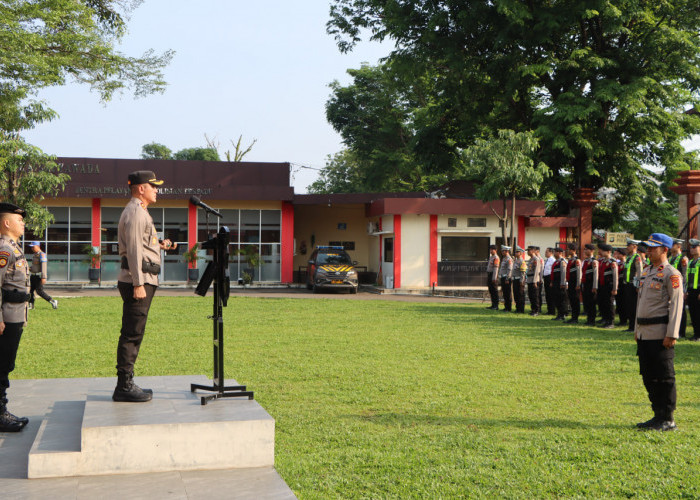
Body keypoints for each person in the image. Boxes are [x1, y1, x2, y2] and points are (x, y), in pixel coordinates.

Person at [114, 170, 175, 403]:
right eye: (153, 186)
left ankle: (127, 382)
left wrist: (159, 245)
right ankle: (124, 385)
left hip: (144, 279)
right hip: (138, 281)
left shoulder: (140, 212)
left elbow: (143, 244)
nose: (156, 190)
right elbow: (133, 250)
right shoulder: (136, 212)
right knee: (132, 333)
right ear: (141, 188)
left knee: (135, 331)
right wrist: (138, 283)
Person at [634, 233, 683, 431]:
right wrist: (637, 329)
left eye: (653, 247)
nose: (649, 250)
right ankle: (657, 415)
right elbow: (641, 303)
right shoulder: (647, 272)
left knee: (664, 376)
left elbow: (677, 305)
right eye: (648, 247)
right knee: (648, 375)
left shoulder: (671, 273)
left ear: (665, 250)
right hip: (645, 333)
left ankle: (668, 418)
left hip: (661, 333)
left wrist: (672, 334)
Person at [0, 203, 31, 432]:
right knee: (1, 365)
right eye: (19, 219)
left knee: (6, 364)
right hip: (6, 318)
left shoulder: (14, 248)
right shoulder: (4, 249)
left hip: (16, 315)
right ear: (6, 223)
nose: (23, 223)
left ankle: (2, 410)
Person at [27, 241, 58, 310]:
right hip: (33, 276)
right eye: (31, 247)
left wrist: (44, 277)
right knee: (30, 290)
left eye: (33, 247)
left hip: (38, 276)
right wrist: (28, 268)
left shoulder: (42, 255)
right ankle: (31, 305)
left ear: (38, 246)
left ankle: (52, 301)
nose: (32, 248)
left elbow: (44, 267)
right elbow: (35, 267)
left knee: (39, 291)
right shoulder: (35, 255)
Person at [668, 238, 689, 338]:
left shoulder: (683, 259)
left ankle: (681, 332)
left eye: (673, 245)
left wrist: (684, 290)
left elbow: (685, 275)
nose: (670, 247)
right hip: (671, 287)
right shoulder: (670, 258)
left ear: (679, 246)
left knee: (681, 310)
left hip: (679, 288)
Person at [622, 239, 644, 333]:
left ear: (634, 246)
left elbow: (639, 272)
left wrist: (638, 286)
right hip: (627, 284)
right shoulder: (629, 257)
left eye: (629, 245)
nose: (627, 247)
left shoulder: (636, 257)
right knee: (629, 306)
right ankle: (630, 326)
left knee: (633, 306)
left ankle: (634, 326)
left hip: (633, 285)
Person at [596, 243, 618, 329]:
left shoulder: (612, 262)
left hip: (609, 286)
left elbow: (615, 276)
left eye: (603, 251)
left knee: (609, 304)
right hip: (602, 285)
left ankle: (611, 322)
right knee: (603, 303)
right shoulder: (603, 261)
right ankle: (605, 319)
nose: (601, 252)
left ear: (609, 252)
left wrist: (615, 288)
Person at [580, 243, 599, 326]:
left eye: (586, 249)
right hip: (585, 284)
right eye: (584, 249)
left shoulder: (593, 261)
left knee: (591, 303)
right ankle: (588, 319)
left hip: (591, 284)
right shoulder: (585, 261)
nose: (584, 251)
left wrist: (595, 286)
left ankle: (592, 320)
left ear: (592, 251)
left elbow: (595, 275)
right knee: (587, 302)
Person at [686, 239, 700, 342]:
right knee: (693, 313)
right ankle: (696, 333)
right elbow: (687, 277)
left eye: (694, 247)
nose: (692, 249)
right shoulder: (690, 262)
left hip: (698, 290)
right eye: (691, 247)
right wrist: (686, 290)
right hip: (691, 291)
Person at [565, 244, 581, 324]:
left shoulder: (576, 260)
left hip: (575, 283)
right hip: (571, 282)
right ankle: (573, 317)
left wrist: (578, 284)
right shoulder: (571, 260)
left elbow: (578, 273)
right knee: (571, 300)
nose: (568, 251)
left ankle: (575, 317)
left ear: (573, 251)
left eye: (569, 249)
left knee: (575, 300)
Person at [550, 247, 568, 321]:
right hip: (555, 283)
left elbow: (564, 273)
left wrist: (563, 283)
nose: (554, 253)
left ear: (560, 253)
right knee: (557, 299)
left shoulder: (562, 261)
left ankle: (562, 314)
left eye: (555, 252)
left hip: (560, 283)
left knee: (561, 299)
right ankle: (559, 314)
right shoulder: (556, 262)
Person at [526, 246, 542, 316]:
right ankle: (533, 309)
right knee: (531, 295)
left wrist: (535, 281)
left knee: (535, 295)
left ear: (533, 251)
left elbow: (536, 271)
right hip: (530, 279)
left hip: (534, 279)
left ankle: (536, 310)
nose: (527, 252)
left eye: (529, 250)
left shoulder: (536, 259)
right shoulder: (530, 259)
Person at [614, 247, 627, 327]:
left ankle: (624, 320)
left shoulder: (626, 264)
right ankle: (621, 319)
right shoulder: (618, 264)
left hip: (624, 286)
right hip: (619, 285)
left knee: (624, 303)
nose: (617, 255)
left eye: (619, 254)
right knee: (619, 303)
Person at [498, 245, 514, 312]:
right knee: (505, 293)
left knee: (507, 293)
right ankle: (506, 307)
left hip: (506, 278)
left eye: (503, 251)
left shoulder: (509, 259)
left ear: (507, 251)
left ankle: (508, 308)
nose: (502, 252)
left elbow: (509, 269)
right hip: (503, 277)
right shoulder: (504, 258)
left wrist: (507, 278)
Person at [512, 246, 527, 313]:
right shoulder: (516, 260)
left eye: (517, 252)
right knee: (516, 295)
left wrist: (521, 281)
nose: (516, 253)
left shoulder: (522, 261)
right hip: (515, 279)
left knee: (520, 295)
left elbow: (523, 272)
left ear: (521, 253)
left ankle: (521, 309)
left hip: (520, 280)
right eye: (515, 252)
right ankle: (517, 308)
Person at [486, 245, 500, 310]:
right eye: (490, 249)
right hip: (489, 274)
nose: (491, 251)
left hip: (493, 275)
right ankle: (493, 304)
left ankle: (496, 305)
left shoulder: (496, 258)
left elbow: (495, 269)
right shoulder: (491, 257)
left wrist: (494, 278)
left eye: (492, 249)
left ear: (495, 250)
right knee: (491, 290)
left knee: (494, 291)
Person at [543, 248, 555, 315]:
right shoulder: (547, 260)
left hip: (549, 278)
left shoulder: (552, 260)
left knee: (550, 295)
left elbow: (552, 271)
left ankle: (552, 311)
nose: (545, 253)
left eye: (546, 252)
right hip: (546, 278)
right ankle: (549, 310)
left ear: (551, 252)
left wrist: (551, 281)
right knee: (547, 295)